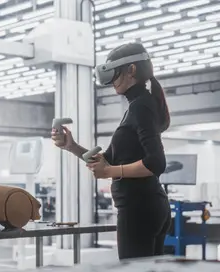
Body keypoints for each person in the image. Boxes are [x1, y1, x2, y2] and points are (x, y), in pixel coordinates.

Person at [52, 42, 171, 260]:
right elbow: (108, 160)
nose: (112, 81)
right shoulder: (137, 106)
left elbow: (156, 163)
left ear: (131, 70)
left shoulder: (141, 106)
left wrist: (110, 172)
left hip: (139, 208)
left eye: (114, 73)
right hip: (147, 206)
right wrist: (72, 146)